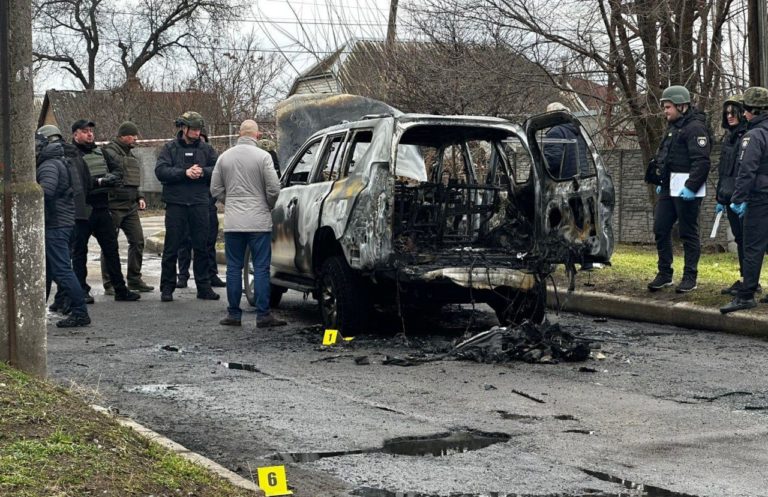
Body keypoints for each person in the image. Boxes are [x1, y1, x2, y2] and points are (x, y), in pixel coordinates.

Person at [210, 119, 285, 327]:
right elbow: (274, 189)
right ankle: (263, 315)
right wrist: (266, 205)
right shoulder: (263, 157)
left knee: (233, 267)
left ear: (239, 134)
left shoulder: (224, 157)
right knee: (261, 267)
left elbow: (215, 189)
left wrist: (231, 202)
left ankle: (234, 314)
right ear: (257, 135)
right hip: (259, 222)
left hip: (234, 221)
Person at [646, 85, 711, 294]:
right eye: (664, 107)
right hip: (669, 188)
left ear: (681, 106)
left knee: (687, 232)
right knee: (660, 228)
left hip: (687, 190)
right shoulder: (673, 127)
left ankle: (690, 277)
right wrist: (662, 182)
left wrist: (691, 187)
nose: (665, 111)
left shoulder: (695, 128)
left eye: (668, 107)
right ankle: (665, 274)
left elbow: (701, 162)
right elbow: (667, 158)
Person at [70, 119, 141, 303]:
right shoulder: (70, 155)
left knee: (111, 249)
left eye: (91, 131)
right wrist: (99, 182)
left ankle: (120, 289)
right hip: (82, 210)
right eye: (85, 131)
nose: (90, 134)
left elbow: (118, 171)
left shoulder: (100, 152)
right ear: (75, 134)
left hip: (102, 207)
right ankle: (82, 291)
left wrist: (112, 178)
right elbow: (76, 181)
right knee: (79, 253)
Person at [155, 111, 220, 302]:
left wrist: (202, 172)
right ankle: (167, 287)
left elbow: (218, 169)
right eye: (194, 129)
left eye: (199, 129)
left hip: (200, 203)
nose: (197, 132)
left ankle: (204, 287)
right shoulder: (170, 148)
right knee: (171, 247)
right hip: (176, 204)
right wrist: (184, 173)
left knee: (202, 247)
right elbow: (160, 171)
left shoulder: (207, 149)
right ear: (183, 128)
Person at [35, 125, 91, 327]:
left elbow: (45, 193)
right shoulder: (60, 161)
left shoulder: (49, 165)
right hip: (63, 223)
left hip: (56, 225)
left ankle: (80, 312)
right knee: (49, 271)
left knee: (62, 271)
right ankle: (35, 312)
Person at [720, 86, 768, 313]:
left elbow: (746, 170)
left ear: (751, 110)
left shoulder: (754, 135)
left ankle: (746, 294)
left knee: (751, 246)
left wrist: (738, 199)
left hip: (759, 199)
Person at [100, 121, 154, 294]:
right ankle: (110, 283)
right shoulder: (107, 152)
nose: (136, 139)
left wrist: (139, 197)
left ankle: (134, 279)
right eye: (133, 135)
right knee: (109, 244)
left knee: (138, 241)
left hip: (130, 205)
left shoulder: (130, 155)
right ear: (123, 136)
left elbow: (131, 179)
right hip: (113, 204)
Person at [714, 96, 751, 296]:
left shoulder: (747, 136)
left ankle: (750, 282)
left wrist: (742, 196)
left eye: (733, 112)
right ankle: (747, 279)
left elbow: (744, 170)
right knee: (740, 239)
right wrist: (720, 198)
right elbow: (724, 172)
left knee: (749, 240)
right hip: (730, 197)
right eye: (726, 113)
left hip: (743, 197)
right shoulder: (729, 137)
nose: (729, 116)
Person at [543, 102, 588, 179]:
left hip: (564, 182)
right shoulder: (579, 132)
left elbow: (553, 161)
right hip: (582, 179)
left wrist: (539, 165)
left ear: (552, 116)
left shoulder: (555, 132)